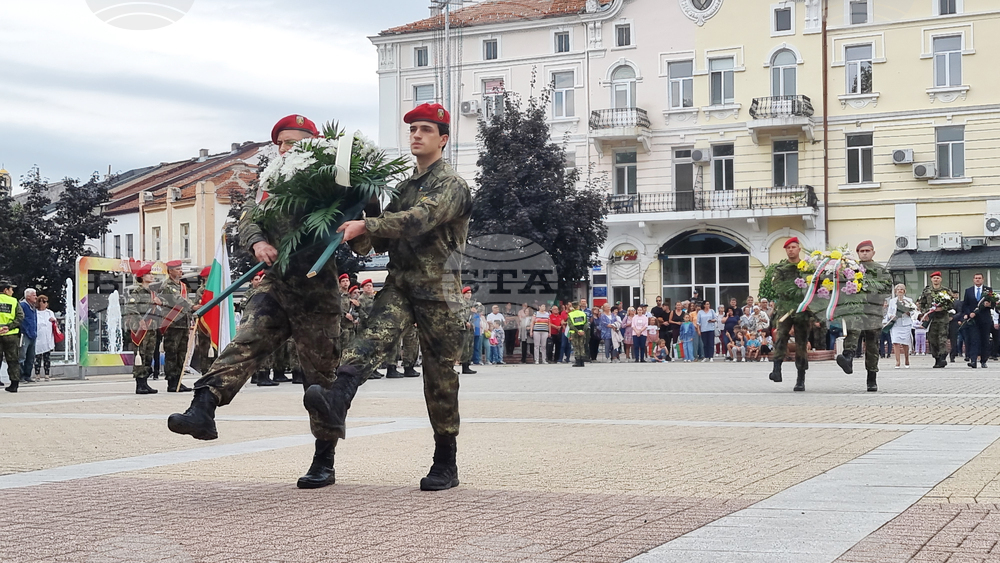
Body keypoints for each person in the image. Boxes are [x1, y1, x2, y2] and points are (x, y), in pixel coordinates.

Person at [286, 103, 471, 491]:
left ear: (444, 139)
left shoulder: (451, 184)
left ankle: (445, 461)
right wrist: (363, 201)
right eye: (412, 130)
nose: (416, 135)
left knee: (439, 379)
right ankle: (337, 401)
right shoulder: (405, 186)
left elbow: (420, 219)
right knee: (366, 345)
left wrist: (367, 223)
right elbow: (376, 242)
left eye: (425, 130)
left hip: (440, 291)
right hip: (401, 285)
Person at [169, 113, 350, 489]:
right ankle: (202, 409)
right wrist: (257, 242)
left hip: (317, 291)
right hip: (274, 285)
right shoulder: (268, 184)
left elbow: (361, 231)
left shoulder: (333, 183)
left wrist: (353, 221)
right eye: (281, 142)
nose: (286, 148)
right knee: (244, 343)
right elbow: (248, 220)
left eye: (295, 142)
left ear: (314, 146)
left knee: (320, 380)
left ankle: (324, 460)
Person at [836, 240, 890, 392]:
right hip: (856, 309)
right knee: (853, 330)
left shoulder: (881, 270)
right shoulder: (852, 269)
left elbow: (886, 290)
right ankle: (847, 357)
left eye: (867, 251)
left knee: (872, 344)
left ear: (873, 252)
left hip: (873, 311)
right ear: (858, 253)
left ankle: (871, 379)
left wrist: (866, 288)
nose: (864, 253)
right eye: (861, 251)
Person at [769, 237, 813, 391]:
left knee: (801, 343)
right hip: (785, 308)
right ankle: (777, 369)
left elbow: (813, 286)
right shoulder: (781, 269)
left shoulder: (807, 268)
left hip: (803, 309)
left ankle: (800, 379)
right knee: (780, 337)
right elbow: (778, 287)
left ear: (799, 249)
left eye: (794, 247)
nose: (791, 250)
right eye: (788, 248)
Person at [157, 261, 195, 393]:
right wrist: (193, 307)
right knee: (172, 353)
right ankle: (172, 382)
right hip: (172, 324)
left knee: (182, 353)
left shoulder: (182, 285)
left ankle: (179, 380)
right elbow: (178, 300)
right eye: (177, 269)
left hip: (183, 324)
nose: (180, 271)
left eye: (181, 269)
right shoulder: (168, 285)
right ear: (170, 271)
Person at [124, 263, 161, 394]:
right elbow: (130, 307)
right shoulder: (137, 292)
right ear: (142, 277)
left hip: (151, 328)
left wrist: (158, 303)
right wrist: (140, 320)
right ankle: (139, 384)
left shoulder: (152, 293)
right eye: (149, 274)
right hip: (140, 328)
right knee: (140, 355)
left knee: (149, 355)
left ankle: (145, 382)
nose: (152, 276)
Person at [917, 271, 955, 369]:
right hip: (931, 319)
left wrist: (942, 308)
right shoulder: (927, 291)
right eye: (934, 278)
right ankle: (937, 358)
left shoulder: (946, 291)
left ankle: (943, 357)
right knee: (932, 340)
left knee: (942, 339)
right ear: (931, 279)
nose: (936, 279)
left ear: (941, 279)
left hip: (943, 318)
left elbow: (951, 303)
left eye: (938, 278)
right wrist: (925, 312)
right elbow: (922, 303)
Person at [961, 273, 993, 369]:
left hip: (985, 319)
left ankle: (983, 360)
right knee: (974, 340)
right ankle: (973, 360)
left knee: (984, 340)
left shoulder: (988, 290)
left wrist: (990, 304)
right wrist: (968, 313)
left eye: (979, 278)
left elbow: (994, 304)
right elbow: (965, 305)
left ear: (983, 279)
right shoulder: (968, 291)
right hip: (973, 320)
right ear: (973, 280)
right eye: (976, 278)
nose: (978, 280)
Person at [0, 280, 24, 393]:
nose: (12, 291)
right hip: (10, 334)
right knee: (13, 359)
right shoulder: (13, 301)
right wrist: (9, 327)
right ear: (5, 290)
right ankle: (14, 384)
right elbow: (20, 316)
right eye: (11, 289)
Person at [191, 266, 215, 376]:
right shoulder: (202, 290)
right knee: (204, 347)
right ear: (206, 277)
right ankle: (205, 371)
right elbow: (199, 306)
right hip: (205, 323)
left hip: (215, 322)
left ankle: (215, 370)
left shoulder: (218, 288)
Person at [885, 283, 915, 369]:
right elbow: (889, 312)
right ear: (895, 291)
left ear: (904, 291)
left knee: (905, 343)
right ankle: (897, 361)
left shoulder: (909, 300)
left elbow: (913, 312)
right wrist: (891, 316)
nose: (900, 291)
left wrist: (906, 311)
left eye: (901, 289)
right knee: (895, 342)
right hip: (896, 323)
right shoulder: (892, 301)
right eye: (898, 290)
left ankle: (906, 359)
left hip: (905, 323)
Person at [33, 294, 57, 381]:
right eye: (43, 302)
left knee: (47, 357)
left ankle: (47, 374)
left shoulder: (50, 312)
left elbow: (54, 322)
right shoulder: (35, 312)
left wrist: (54, 321)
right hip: (39, 337)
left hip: (47, 337)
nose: (44, 303)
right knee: (37, 357)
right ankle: (37, 374)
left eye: (46, 302)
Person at [17, 288, 37, 383]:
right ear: (28, 296)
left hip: (32, 334)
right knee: (22, 355)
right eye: (34, 295)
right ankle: (20, 376)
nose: (36, 297)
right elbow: (21, 319)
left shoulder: (32, 307)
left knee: (31, 356)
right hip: (24, 334)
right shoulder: (22, 305)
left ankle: (27, 375)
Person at [459, 287, 476, 374]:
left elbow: (479, 311)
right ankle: (463, 366)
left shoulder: (472, 304)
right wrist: (465, 322)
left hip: (470, 328)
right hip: (462, 328)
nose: (469, 294)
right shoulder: (460, 303)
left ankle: (467, 365)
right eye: (467, 293)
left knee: (469, 346)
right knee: (463, 348)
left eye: (470, 293)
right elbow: (458, 315)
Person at [566, 302, 588, 367]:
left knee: (576, 347)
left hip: (574, 332)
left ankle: (577, 361)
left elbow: (570, 325)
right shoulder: (583, 313)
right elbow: (586, 323)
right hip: (582, 332)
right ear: (578, 306)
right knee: (581, 346)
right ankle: (582, 362)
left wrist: (577, 331)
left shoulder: (570, 314)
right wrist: (583, 331)